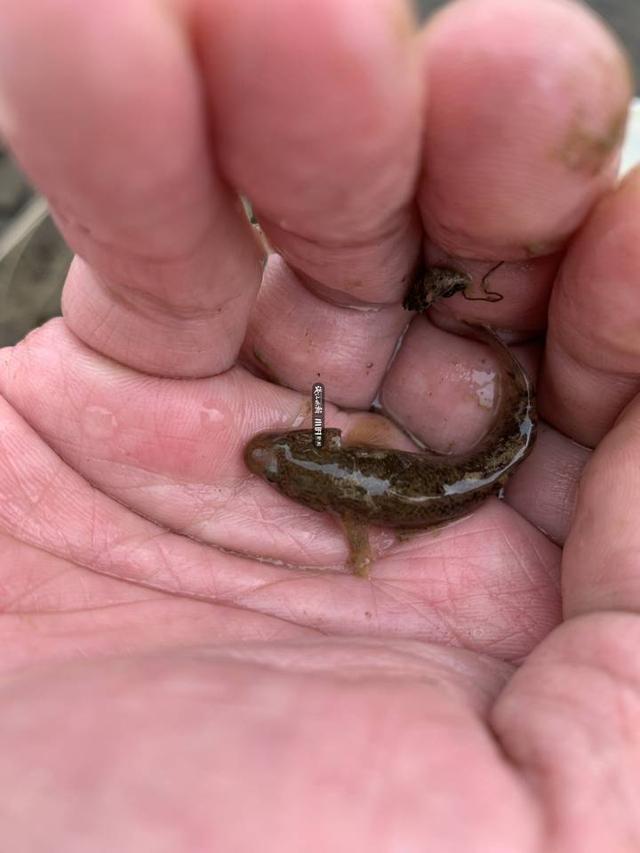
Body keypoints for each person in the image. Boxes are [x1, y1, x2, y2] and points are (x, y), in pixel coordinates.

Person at [0, 0, 637, 848]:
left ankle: (502, 372)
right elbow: (349, 464)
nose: (268, 458)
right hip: (459, 475)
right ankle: (498, 366)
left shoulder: (343, 485)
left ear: (316, 464)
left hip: (467, 474)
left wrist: (354, 531)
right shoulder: (335, 459)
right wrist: (330, 453)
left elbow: (358, 507)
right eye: (283, 461)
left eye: (287, 458)